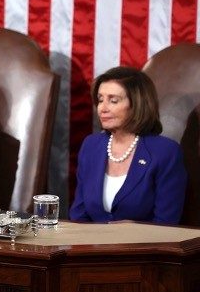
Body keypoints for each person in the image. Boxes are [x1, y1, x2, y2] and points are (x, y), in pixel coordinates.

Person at [69, 66, 187, 223]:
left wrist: (133, 230)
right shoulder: (91, 145)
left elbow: (166, 224)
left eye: (113, 101)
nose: (102, 108)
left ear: (137, 105)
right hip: (90, 246)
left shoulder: (165, 152)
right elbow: (79, 216)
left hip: (143, 246)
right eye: (100, 99)